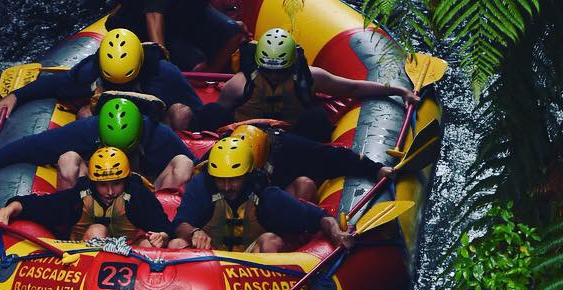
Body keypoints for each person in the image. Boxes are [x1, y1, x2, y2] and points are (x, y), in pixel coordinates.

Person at [202, 28, 420, 141]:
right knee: (210, 112)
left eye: (280, 71)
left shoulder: (312, 78)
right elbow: (220, 120)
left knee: (316, 119)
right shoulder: (237, 86)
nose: (275, 77)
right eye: (269, 71)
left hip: (293, 138)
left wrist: (398, 90)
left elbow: (352, 88)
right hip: (245, 138)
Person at [0, 96, 196, 194]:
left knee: (183, 164)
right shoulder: (88, 129)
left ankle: (160, 233)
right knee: (68, 159)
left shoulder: (160, 135)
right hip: (94, 197)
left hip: (145, 199)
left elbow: (198, 171)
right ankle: (70, 228)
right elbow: (30, 146)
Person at [168, 135, 351, 252]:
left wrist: (336, 233)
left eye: (234, 179)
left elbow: (320, 218)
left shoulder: (265, 194)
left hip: (252, 265)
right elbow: (179, 224)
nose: (226, 186)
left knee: (270, 241)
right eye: (220, 179)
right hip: (209, 256)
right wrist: (194, 232)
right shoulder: (202, 186)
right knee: (176, 244)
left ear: (247, 174)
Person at [0, 28, 202, 128]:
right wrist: (16, 95)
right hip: (110, 127)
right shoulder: (89, 73)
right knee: (85, 114)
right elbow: (55, 84)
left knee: (181, 113)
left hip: (153, 126)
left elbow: (197, 108)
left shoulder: (165, 73)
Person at [0, 146, 172, 248]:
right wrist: (8, 210)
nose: (110, 192)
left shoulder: (138, 195)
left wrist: (161, 236)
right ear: (93, 183)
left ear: (126, 179)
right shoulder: (80, 196)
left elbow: (163, 226)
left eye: (116, 183)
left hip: (127, 257)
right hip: (81, 257)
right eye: (102, 185)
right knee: (97, 230)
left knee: (149, 244)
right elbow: (38, 205)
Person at [226, 121, 393, 201]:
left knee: (304, 184)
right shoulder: (222, 156)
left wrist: (375, 169)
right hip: (239, 210)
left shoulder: (289, 148)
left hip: (271, 206)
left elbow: (333, 157)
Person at [105, 0, 247, 72]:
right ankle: (196, 80)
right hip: (143, 23)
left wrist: (224, 23)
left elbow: (199, 1)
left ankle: (210, 74)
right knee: (197, 64)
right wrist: (162, 58)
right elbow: (154, 16)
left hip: (180, 17)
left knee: (235, 33)